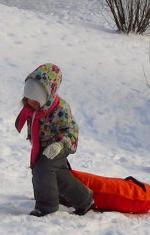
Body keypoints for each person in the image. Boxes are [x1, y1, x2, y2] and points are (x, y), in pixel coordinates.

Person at [15, 63, 95, 217]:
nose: (30, 103)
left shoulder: (60, 108)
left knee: (42, 170)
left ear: (46, 96)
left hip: (58, 146)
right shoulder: (34, 109)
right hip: (42, 147)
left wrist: (59, 145)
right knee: (58, 176)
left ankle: (46, 207)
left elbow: (72, 131)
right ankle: (85, 200)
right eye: (27, 98)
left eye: (34, 99)